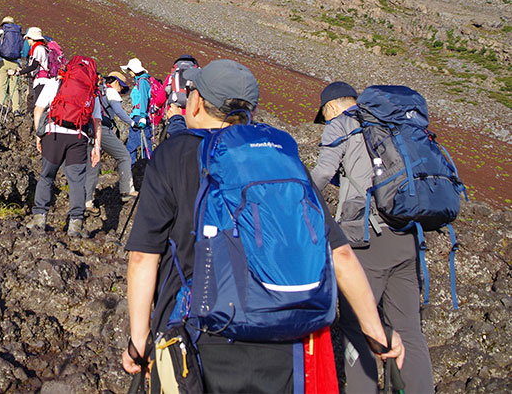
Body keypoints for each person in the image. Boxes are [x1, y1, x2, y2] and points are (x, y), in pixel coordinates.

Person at [122, 60, 404, 393]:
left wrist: (138, 342)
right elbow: (339, 254)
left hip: (196, 339)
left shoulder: (173, 155)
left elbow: (144, 257)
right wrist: (376, 332)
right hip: (285, 340)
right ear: (249, 111)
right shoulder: (278, 157)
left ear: (195, 101)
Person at [311, 81, 434, 393]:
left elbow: (323, 174)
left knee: (356, 329)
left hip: (366, 240)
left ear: (330, 109)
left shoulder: (341, 124)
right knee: (409, 330)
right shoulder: (393, 124)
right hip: (407, 234)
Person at [27, 66, 102, 238]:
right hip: (78, 137)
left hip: (54, 134)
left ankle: (39, 219)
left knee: (47, 176)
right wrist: (97, 147)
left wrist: (39, 134)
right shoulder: (91, 89)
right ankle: (75, 225)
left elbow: (38, 109)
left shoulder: (56, 82)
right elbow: (96, 121)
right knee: (76, 181)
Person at [86, 72, 138, 214]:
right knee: (124, 156)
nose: (121, 91)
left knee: (93, 165)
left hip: (88, 129)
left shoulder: (98, 92)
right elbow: (119, 111)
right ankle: (127, 189)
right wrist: (132, 122)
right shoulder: (111, 91)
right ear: (115, 82)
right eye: (121, 87)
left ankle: (87, 202)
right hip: (102, 128)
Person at [121, 58, 153, 163]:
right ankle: (145, 167)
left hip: (140, 116)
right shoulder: (141, 81)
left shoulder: (142, 82)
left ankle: (131, 170)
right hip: (140, 115)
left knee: (133, 145)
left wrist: (143, 116)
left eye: (129, 70)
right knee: (144, 143)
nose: (129, 73)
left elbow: (144, 98)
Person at [0, 16, 23, 116]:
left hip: (2, 62)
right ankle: (16, 109)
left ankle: (3, 106)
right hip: (15, 62)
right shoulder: (18, 34)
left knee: (2, 85)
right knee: (14, 87)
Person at [17, 27, 52, 111]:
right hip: (46, 79)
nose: (27, 41)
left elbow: (34, 66)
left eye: (28, 38)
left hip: (41, 80)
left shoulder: (38, 49)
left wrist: (19, 72)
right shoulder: (43, 48)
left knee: (39, 107)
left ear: (32, 39)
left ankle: (38, 123)